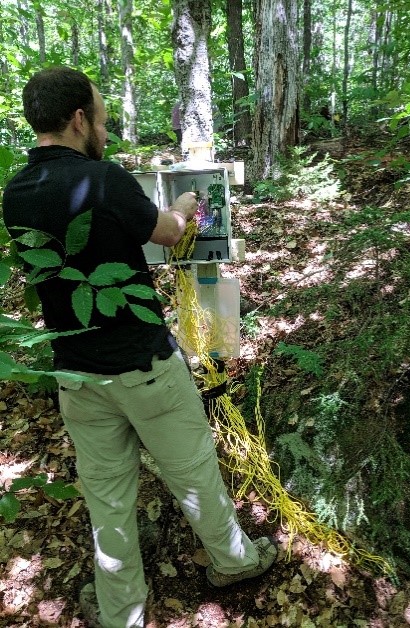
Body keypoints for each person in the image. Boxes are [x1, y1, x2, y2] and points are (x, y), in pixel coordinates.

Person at [2, 66, 277, 628]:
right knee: (193, 468)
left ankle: (120, 610)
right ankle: (234, 560)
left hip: (75, 372)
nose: (104, 127)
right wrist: (187, 204)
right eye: (101, 116)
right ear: (78, 119)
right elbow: (169, 233)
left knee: (106, 497)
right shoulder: (103, 179)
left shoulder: (15, 192)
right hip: (144, 363)